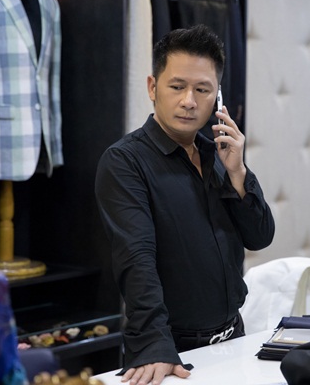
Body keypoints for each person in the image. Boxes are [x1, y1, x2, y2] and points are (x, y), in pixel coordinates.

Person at [95, 24, 275, 385]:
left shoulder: (219, 155)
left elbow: (260, 236)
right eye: (177, 87)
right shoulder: (125, 161)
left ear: (217, 98)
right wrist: (154, 345)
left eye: (202, 90)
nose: (189, 101)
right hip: (170, 350)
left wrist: (238, 172)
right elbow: (136, 260)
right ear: (152, 87)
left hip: (233, 339)